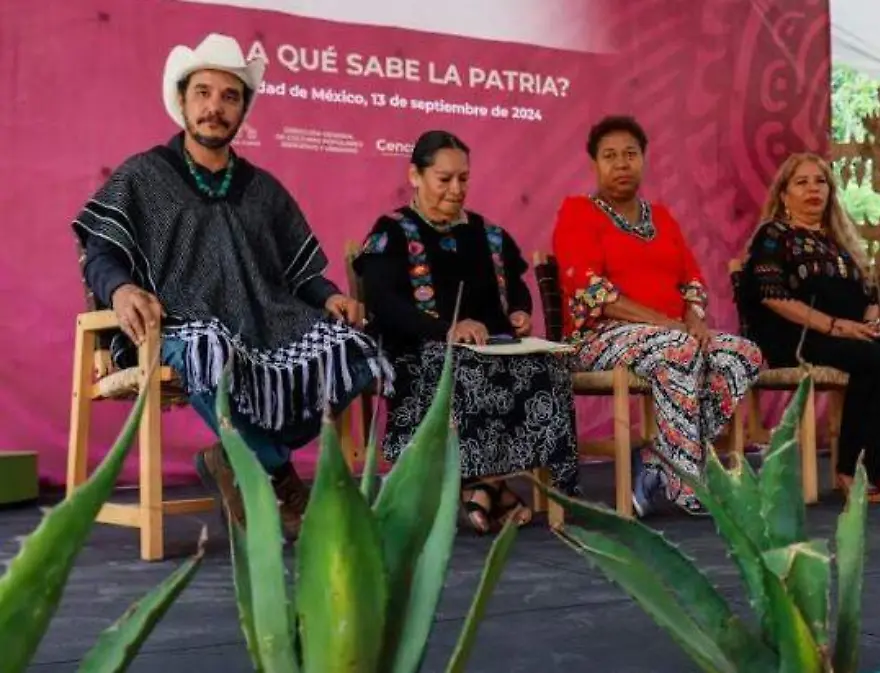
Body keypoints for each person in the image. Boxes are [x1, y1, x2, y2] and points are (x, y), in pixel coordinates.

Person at [70, 34, 391, 540]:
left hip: (267, 321)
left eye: (229, 96)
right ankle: (276, 472)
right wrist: (121, 291)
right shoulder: (143, 175)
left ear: (243, 109)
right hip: (178, 323)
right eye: (203, 92)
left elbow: (302, 274)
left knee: (352, 350)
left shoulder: (265, 190)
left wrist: (329, 296)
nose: (214, 107)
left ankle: (235, 456)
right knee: (209, 347)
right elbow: (101, 253)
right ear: (182, 100)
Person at [354, 130, 580, 534]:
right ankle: (488, 484)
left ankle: (497, 487)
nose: (456, 189)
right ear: (415, 175)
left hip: (490, 349)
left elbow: (517, 286)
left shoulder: (487, 234)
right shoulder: (392, 232)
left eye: (463, 179)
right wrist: (447, 329)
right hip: (418, 350)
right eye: (445, 179)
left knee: (548, 367)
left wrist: (520, 312)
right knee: (460, 368)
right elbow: (384, 303)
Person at [551, 115, 763, 517]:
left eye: (630, 154)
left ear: (643, 159)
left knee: (743, 354)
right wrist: (669, 325)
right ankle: (686, 485)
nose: (621, 163)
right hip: (596, 338)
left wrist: (695, 319)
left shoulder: (662, 217)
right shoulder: (578, 212)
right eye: (610, 156)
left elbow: (693, 281)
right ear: (594, 164)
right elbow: (593, 293)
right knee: (680, 347)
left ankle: (656, 459)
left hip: (673, 336)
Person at [739, 153, 880, 501]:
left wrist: (870, 323)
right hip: (796, 337)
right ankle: (850, 469)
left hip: (848, 336)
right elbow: (772, 296)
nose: (813, 189)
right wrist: (835, 326)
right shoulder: (774, 235)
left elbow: (868, 295)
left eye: (820, 182)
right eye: (802, 182)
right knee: (872, 360)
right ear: (784, 194)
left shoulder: (839, 240)